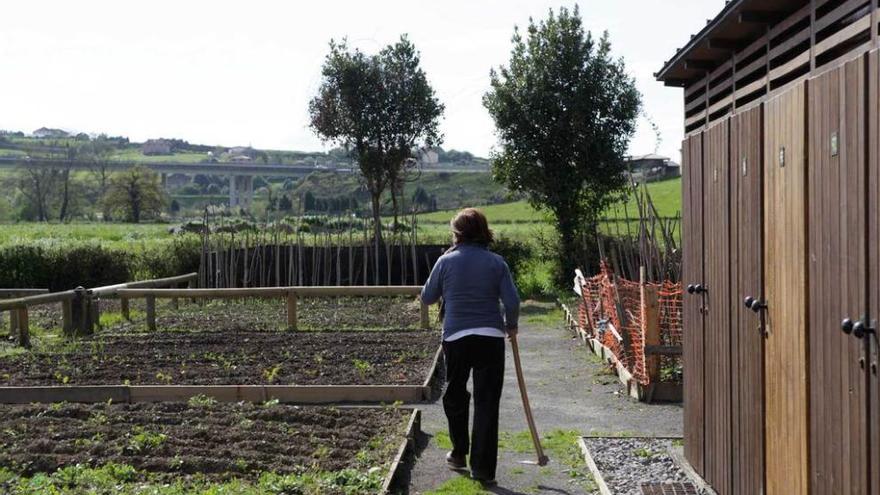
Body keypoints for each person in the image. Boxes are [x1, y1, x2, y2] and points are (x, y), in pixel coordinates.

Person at [420, 207, 520, 487]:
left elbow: (427, 297)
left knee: (454, 395)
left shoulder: (446, 261)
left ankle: (459, 451)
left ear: (458, 234)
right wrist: (511, 325)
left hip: (456, 338)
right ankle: (483, 469)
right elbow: (512, 302)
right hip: (490, 337)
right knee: (487, 401)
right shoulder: (497, 262)